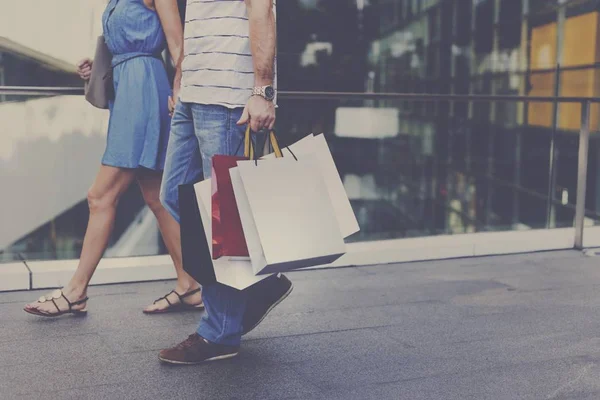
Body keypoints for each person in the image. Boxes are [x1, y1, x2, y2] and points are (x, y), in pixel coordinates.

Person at [24, 0, 203, 317]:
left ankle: (75, 291)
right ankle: (190, 284)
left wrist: (181, 93)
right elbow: (126, 47)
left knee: (100, 195)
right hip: (128, 90)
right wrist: (99, 66)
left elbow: (178, 47)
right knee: (156, 196)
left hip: (145, 92)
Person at [157, 0, 293, 364]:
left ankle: (220, 332)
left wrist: (262, 91)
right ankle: (259, 284)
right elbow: (197, 20)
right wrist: (181, 77)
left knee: (222, 218)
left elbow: (262, 9)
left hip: (229, 97)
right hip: (193, 91)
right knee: (173, 195)